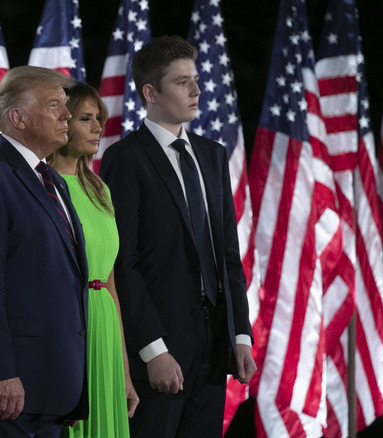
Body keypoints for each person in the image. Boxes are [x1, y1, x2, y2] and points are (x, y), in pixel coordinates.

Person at [99, 35, 256, 437]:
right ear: (150, 92)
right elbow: (124, 262)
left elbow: (227, 254)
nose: (197, 90)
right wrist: (153, 349)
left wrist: (240, 334)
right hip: (161, 346)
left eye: (197, 79)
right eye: (182, 81)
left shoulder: (212, 154)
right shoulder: (126, 158)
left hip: (214, 343)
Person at [0, 66, 88, 438]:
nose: (67, 115)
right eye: (54, 106)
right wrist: (1, 370)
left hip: (55, 384)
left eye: (65, 106)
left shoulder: (54, 180)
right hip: (13, 390)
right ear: (17, 118)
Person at [46, 82, 139, 438]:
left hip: (105, 329)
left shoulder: (101, 189)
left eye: (99, 118)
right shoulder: (43, 188)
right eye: (86, 118)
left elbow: (110, 282)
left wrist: (124, 371)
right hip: (68, 325)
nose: (99, 127)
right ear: (61, 120)